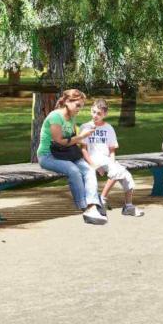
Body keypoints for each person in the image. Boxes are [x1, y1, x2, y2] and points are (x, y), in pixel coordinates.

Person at [36, 88, 107, 225]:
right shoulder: (55, 117)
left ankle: (93, 205)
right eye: (78, 105)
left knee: (89, 169)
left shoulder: (72, 116)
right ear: (68, 102)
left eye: (81, 105)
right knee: (73, 170)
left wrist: (84, 138)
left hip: (65, 153)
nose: (80, 109)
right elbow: (59, 141)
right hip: (48, 155)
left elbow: (73, 138)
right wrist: (81, 137)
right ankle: (84, 207)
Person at [83, 98, 143, 217]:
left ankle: (128, 206)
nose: (95, 115)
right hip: (94, 159)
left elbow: (112, 151)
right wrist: (94, 166)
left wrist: (112, 163)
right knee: (117, 172)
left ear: (105, 114)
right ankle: (103, 199)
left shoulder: (109, 128)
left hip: (106, 159)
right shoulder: (86, 127)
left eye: (99, 113)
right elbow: (83, 150)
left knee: (127, 177)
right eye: (93, 112)